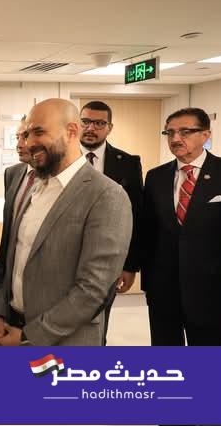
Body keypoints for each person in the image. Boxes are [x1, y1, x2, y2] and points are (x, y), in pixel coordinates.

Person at [0, 98, 132, 346]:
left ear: (71, 132)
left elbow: (93, 290)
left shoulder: (107, 195)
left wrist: (28, 336)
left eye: (39, 132)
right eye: (27, 134)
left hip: (66, 342)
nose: (29, 142)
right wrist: (0, 312)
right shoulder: (33, 186)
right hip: (13, 326)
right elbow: (13, 260)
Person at [141, 108, 221, 346]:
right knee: (165, 357)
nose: (175, 138)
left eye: (185, 132)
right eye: (170, 132)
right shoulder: (155, 177)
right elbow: (148, 231)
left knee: (208, 359)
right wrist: (147, 282)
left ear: (205, 135)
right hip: (163, 289)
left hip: (211, 289)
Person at [79, 100, 144, 344]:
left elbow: (135, 215)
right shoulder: (62, 158)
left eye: (99, 123)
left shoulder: (128, 163)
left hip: (107, 261)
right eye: (86, 121)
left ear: (109, 127)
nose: (91, 128)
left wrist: (130, 265)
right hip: (64, 257)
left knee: (98, 326)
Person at [0, 119, 33, 273]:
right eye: (17, 137)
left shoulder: (54, 178)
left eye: (25, 137)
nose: (19, 145)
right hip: (10, 269)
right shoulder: (11, 174)